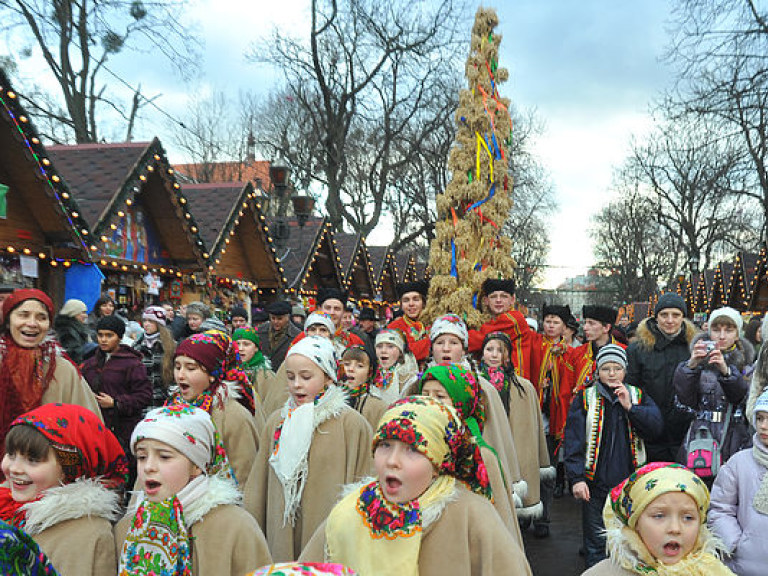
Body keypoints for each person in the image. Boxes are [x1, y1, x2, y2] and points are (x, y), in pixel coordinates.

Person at [299, 397, 533, 575]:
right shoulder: (352, 510)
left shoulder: (471, 515)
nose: (392, 461)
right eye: (385, 445)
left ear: (439, 461)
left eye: (413, 449)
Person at [244, 336, 372, 562]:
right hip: (281, 532)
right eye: (290, 377)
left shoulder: (351, 424)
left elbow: (364, 482)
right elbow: (258, 486)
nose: (296, 384)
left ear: (328, 377)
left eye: (306, 377)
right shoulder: (277, 422)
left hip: (326, 533)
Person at [115, 404, 272, 575]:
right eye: (142, 457)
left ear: (196, 466)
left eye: (164, 457)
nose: (148, 467)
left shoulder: (236, 527)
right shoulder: (130, 527)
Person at [565, 344, 664, 568]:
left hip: (630, 485)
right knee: (596, 543)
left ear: (625, 371)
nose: (611, 373)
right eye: (606, 368)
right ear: (597, 371)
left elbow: (656, 428)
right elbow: (573, 442)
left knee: (629, 541)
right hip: (594, 484)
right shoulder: (585, 398)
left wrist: (631, 408)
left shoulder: (637, 395)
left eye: (617, 368)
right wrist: (577, 478)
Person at [1, 403, 128, 575]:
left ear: (71, 468)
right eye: (11, 454)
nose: (15, 468)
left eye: (32, 459)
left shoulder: (88, 535)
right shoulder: (7, 508)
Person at [418, 365, 523, 543]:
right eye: (425, 394)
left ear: (461, 401)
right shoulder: (415, 444)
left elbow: (499, 524)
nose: (431, 402)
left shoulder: (480, 454)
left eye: (440, 396)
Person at [0, 289, 101, 463]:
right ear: (9, 320)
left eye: (41, 317)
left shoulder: (62, 369)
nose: (32, 323)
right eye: (23, 315)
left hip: (48, 475)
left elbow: (91, 425)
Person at [583, 462, 734, 575]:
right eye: (659, 516)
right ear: (635, 523)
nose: (675, 528)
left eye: (688, 517)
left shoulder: (713, 571)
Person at [479, 331, 552, 527]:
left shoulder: (524, 387)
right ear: (482, 353)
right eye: (489, 349)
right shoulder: (474, 384)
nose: (494, 355)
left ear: (508, 355)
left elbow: (533, 427)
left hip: (517, 449)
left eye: (500, 351)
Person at [168, 332, 260, 487]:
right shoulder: (171, 408)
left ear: (212, 374)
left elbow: (245, 477)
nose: (180, 375)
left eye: (191, 368)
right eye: (177, 367)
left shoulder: (232, 416)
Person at [674, 306, 753, 478]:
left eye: (729, 330)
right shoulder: (697, 360)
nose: (722, 336)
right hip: (700, 434)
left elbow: (743, 399)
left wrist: (727, 372)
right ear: (709, 332)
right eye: (716, 330)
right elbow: (684, 402)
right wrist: (691, 366)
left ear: (738, 334)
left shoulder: (747, 366)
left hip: (734, 436)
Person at [626, 292, 699, 463]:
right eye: (664, 314)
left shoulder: (694, 348)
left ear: (683, 318)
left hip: (685, 433)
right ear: (656, 317)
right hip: (648, 432)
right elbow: (631, 387)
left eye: (676, 315)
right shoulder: (638, 349)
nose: (670, 320)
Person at [708, 389, 768, 576]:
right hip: (743, 567)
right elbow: (719, 508)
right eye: (759, 418)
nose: (764, 426)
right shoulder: (739, 462)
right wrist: (735, 544)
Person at [81, 315, 152, 458]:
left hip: (123, 430)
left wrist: (116, 403)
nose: (103, 339)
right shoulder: (90, 363)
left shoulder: (133, 364)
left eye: (109, 335)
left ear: (119, 337)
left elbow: (144, 396)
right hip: (94, 427)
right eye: (100, 335)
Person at [530, 304, 575, 504]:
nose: (550, 325)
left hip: (556, 416)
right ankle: (528, 510)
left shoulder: (570, 353)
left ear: (564, 326)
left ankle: (544, 518)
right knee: (528, 466)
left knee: (548, 468)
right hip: (534, 414)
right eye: (548, 321)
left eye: (556, 322)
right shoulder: (535, 344)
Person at [468, 278, 533, 379]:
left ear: (512, 299)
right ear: (486, 301)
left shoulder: (513, 319)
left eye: (504, 296)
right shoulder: (497, 320)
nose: (498, 300)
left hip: (514, 381)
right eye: (493, 296)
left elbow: (478, 340)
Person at [132, 305, 176, 414]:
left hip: (163, 403)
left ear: (159, 324)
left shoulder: (170, 347)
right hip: (141, 403)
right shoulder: (136, 347)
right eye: (145, 320)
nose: (146, 324)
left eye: (151, 321)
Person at [570, 305, 624, 391]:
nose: (585, 328)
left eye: (591, 323)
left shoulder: (625, 352)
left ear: (606, 328)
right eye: (585, 323)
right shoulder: (577, 353)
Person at [339, 344, 387, 431]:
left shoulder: (379, 407)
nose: (351, 369)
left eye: (359, 366)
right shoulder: (334, 401)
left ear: (370, 371)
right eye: (347, 364)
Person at [386, 280, 431, 364]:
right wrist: (432, 340)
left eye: (416, 299)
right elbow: (408, 354)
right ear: (401, 306)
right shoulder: (393, 327)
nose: (411, 304)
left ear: (423, 303)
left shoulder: (433, 323)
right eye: (406, 300)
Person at [234, 325, 273, 422]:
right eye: (237, 344)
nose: (240, 348)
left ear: (256, 348)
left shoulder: (265, 374)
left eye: (246, 344)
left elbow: (270, 407)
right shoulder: (229, 372)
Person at [372, 328, 418, 404]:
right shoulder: (371, 373)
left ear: (400, 352)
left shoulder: (408, 377)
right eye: (379, 346)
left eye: (390, 346)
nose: (383, 350)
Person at [257, 300, 301, 371]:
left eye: (280, 319)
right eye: (273, 318)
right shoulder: (260, 331)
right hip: (263, 374)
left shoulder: (297, 335)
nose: (275, 322)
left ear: (288, 317)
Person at [52, 298, 95, 364]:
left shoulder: (78, 328)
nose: (86, 316)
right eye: (83, 312)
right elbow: (73, 354)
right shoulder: (66, 330)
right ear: (73, 313)